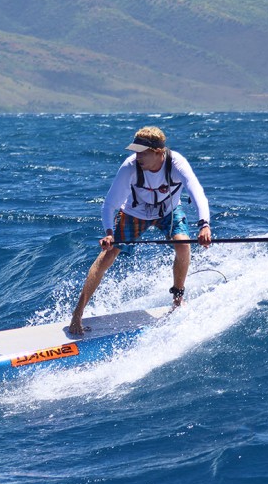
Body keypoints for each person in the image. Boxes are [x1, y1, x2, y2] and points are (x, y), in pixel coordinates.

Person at [69, 126, 212, 335]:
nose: (137, 157)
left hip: (168, 211)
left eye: (142, 153)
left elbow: (197, 192)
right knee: (107, 255)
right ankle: (77, 314)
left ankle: (178, 299)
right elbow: (109, 204)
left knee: (183, 245)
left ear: (158, 152)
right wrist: (109, 233)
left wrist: (204, 225)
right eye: (135, 151)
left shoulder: (177, 164)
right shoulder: (129, 167)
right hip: (135, 213)